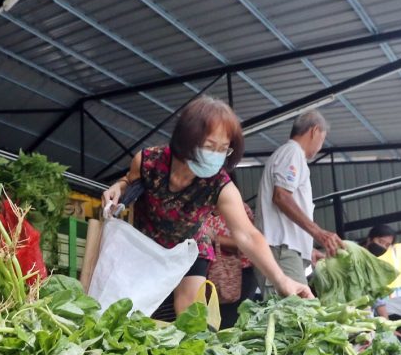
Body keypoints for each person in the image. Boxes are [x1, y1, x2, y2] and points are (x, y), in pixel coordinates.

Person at [101, 96, 313, 316]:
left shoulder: (220, 184)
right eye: (210, 147)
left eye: (224, 149)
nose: (216, 156)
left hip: (190, 246)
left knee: (189, 314)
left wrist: (281, 280)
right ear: (186, 140)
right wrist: (119, 186)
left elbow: (248, 235)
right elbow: (130, 182)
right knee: (132, 310)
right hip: (147, 244)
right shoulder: (147, 161)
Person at [255, 110, 344, 288]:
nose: (320, 146)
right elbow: (281, 196)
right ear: (314, 131)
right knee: (294, 309)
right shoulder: (292, 152)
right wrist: (318, 233)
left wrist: (306, 249)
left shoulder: (291, 155)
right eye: (322, 139)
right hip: (280, 250)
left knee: (297, 308)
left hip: (285, 251)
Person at [205, 207, 259, 328]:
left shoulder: (239, 208)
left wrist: (215, 238)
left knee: (230, 323)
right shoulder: (201, 208)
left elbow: (247, 242)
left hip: (237, 275)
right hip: (208, 275)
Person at [365, 224, 397, 318]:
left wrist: (386, 322)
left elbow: (376, 295)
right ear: (370, 239)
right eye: (380, 241)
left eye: (387, 245)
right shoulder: (351, 252)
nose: (383, 246)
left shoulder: (375, 266)